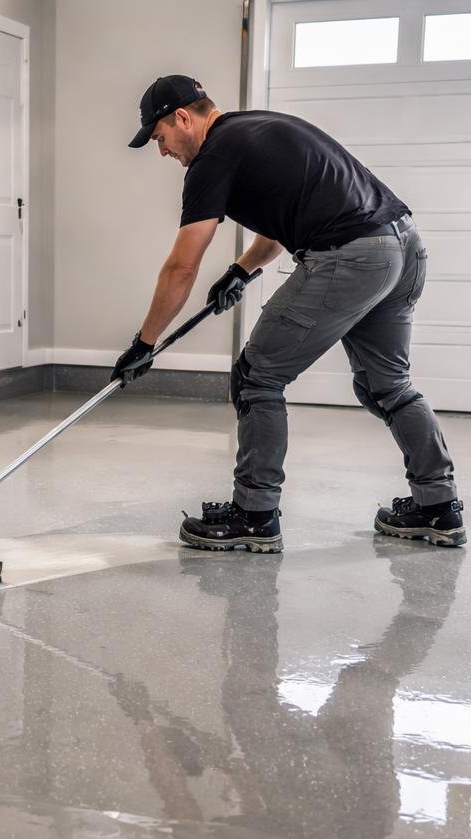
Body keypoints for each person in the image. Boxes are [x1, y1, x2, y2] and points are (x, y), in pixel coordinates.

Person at [113, 75, 464, 552]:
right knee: (389, 385)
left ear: (182, 117)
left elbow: (181, 267)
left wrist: (145, 343)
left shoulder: (212, 157)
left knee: (258, 377)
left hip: (353, 254)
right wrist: (241, 269)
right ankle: (438, 508)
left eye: (159, 138)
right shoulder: (255, 129)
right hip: (401, 245)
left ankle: (254, 515)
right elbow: (285, 218)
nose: (162, 151)